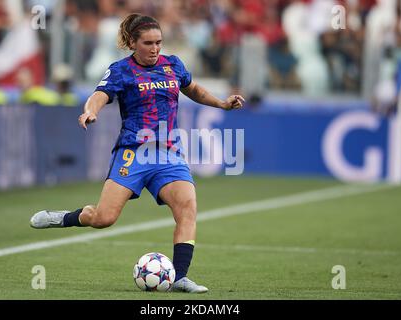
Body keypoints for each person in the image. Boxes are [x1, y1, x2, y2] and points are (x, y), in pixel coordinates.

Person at [29, 13, 244, 293]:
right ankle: (63, 218)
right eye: (148, 43)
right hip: (134, 152)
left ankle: (179, 276)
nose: (155, 49)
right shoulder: (121, 70)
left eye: (159, 42)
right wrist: (90, 112)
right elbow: (100, 95)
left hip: (168, 154)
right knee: (104, 218)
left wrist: (222, 104)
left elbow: (193, 90)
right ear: (133, 42)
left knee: (187, 208)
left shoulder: (173, 65)